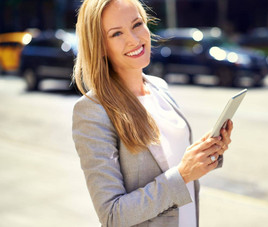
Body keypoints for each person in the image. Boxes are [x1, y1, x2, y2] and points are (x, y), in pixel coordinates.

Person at [72, 0, 233, 226]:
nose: (134, 39)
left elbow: (174, 161)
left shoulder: (159, 87)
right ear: (99, 46)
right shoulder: (92, 111)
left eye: (137, 24)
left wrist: (207, 152)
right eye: (117, 33)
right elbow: (112, 215)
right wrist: (183, 174)